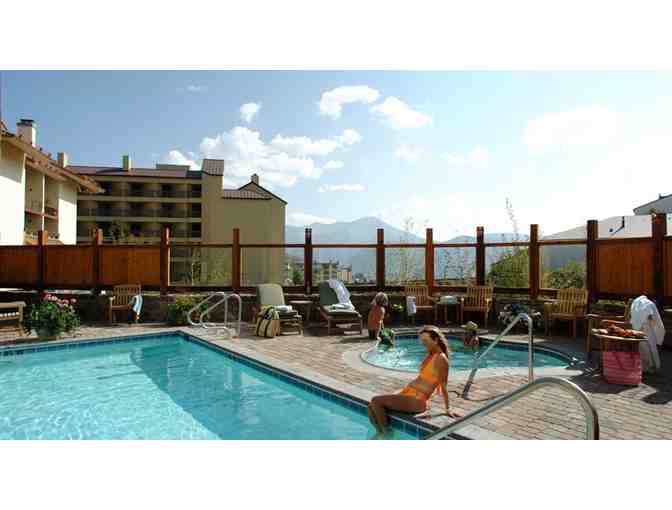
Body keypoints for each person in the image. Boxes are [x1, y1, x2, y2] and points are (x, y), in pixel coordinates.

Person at [367, 325, 463, 434]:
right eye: (422, 340)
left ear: (436, 340)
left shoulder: (441, 358)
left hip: (417, 399)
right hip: (409, 393)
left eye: (425, 340)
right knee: (370, 407)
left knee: (376, 401)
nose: (423, 343)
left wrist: (447, 409)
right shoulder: (431, 355)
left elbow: (444, 386)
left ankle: (386, 434)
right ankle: (380, 432)